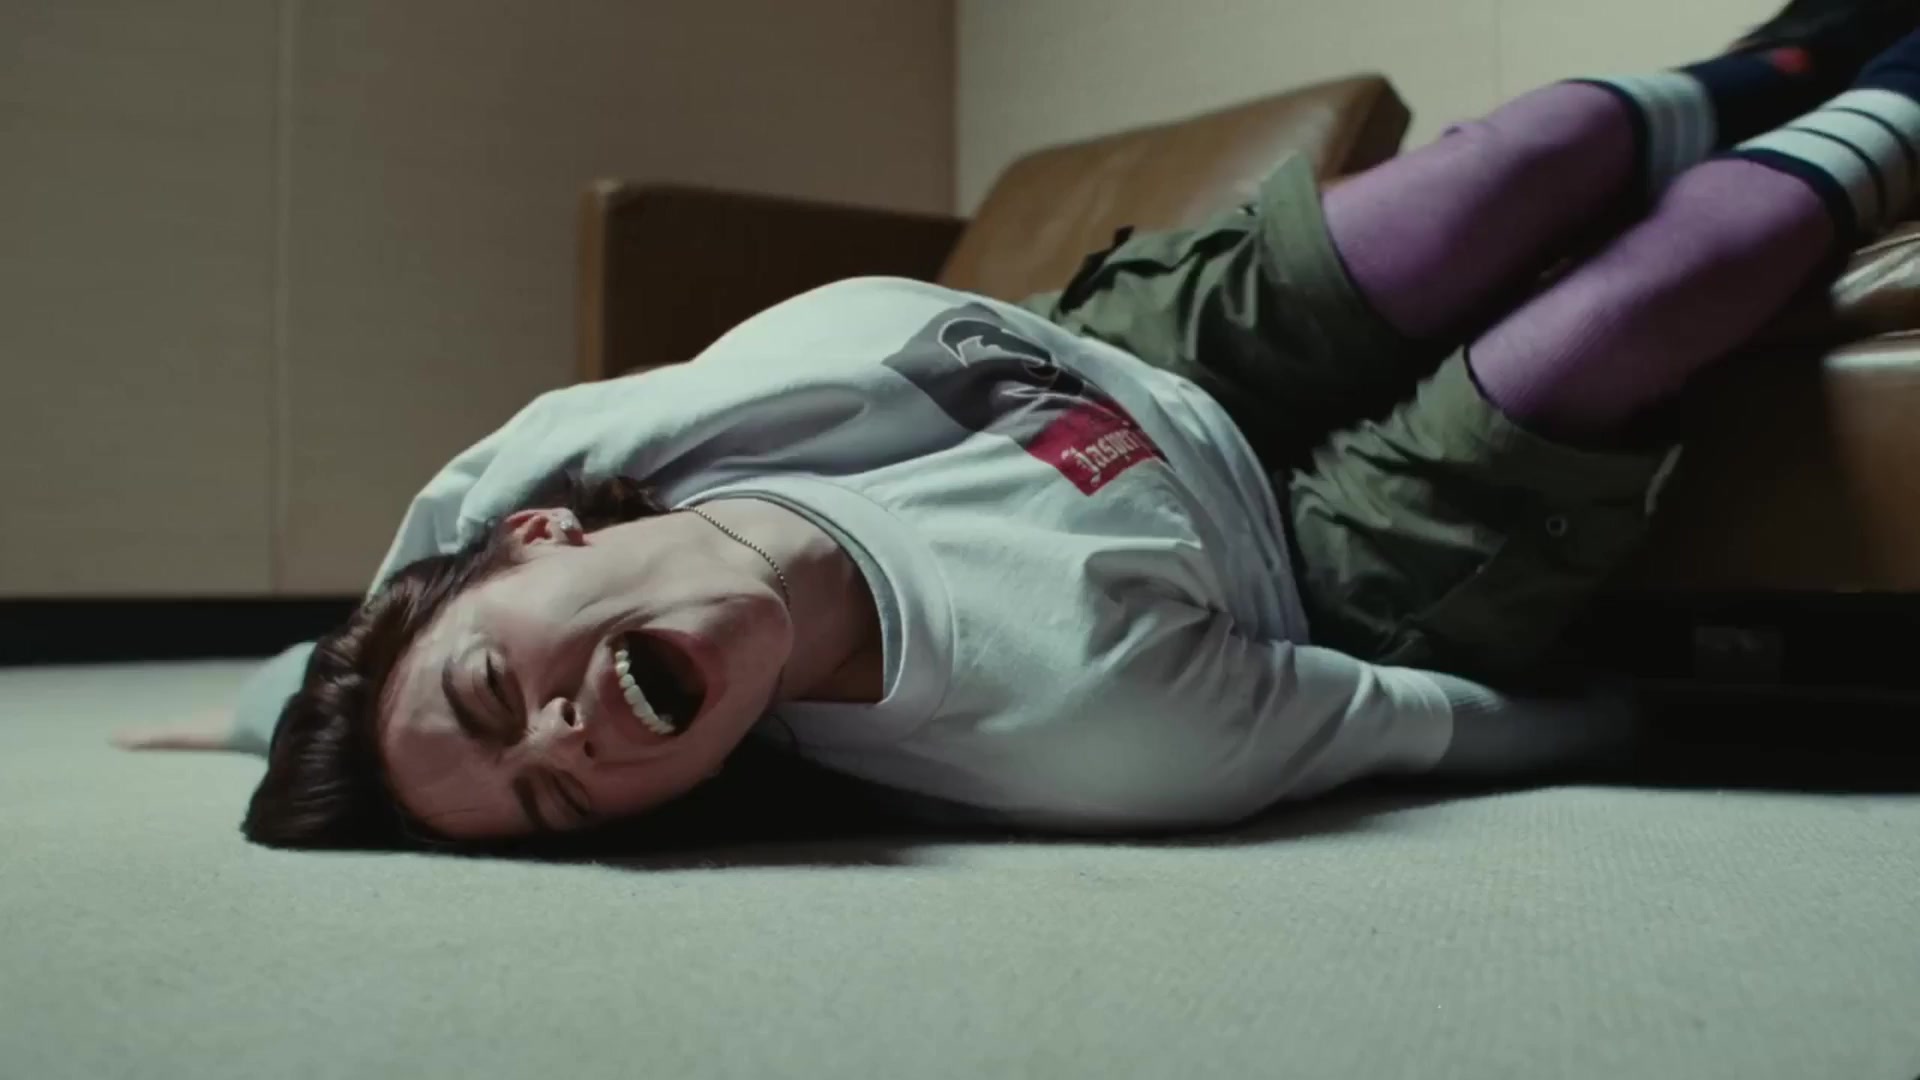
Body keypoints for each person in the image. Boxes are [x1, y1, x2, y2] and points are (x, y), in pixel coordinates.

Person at [118, 1, 1920, 851]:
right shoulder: (1088, 741)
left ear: (534, 535)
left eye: (498, 698)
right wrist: (1645, 721)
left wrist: (254, 712)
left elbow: (376, 638)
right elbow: (1408, 728)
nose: (567, 743)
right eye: (555, 805)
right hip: (1316, 570)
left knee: (1536, 150)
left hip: (1105, 355)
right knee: (1688, 267)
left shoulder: (543, 458)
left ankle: (1812, 40)